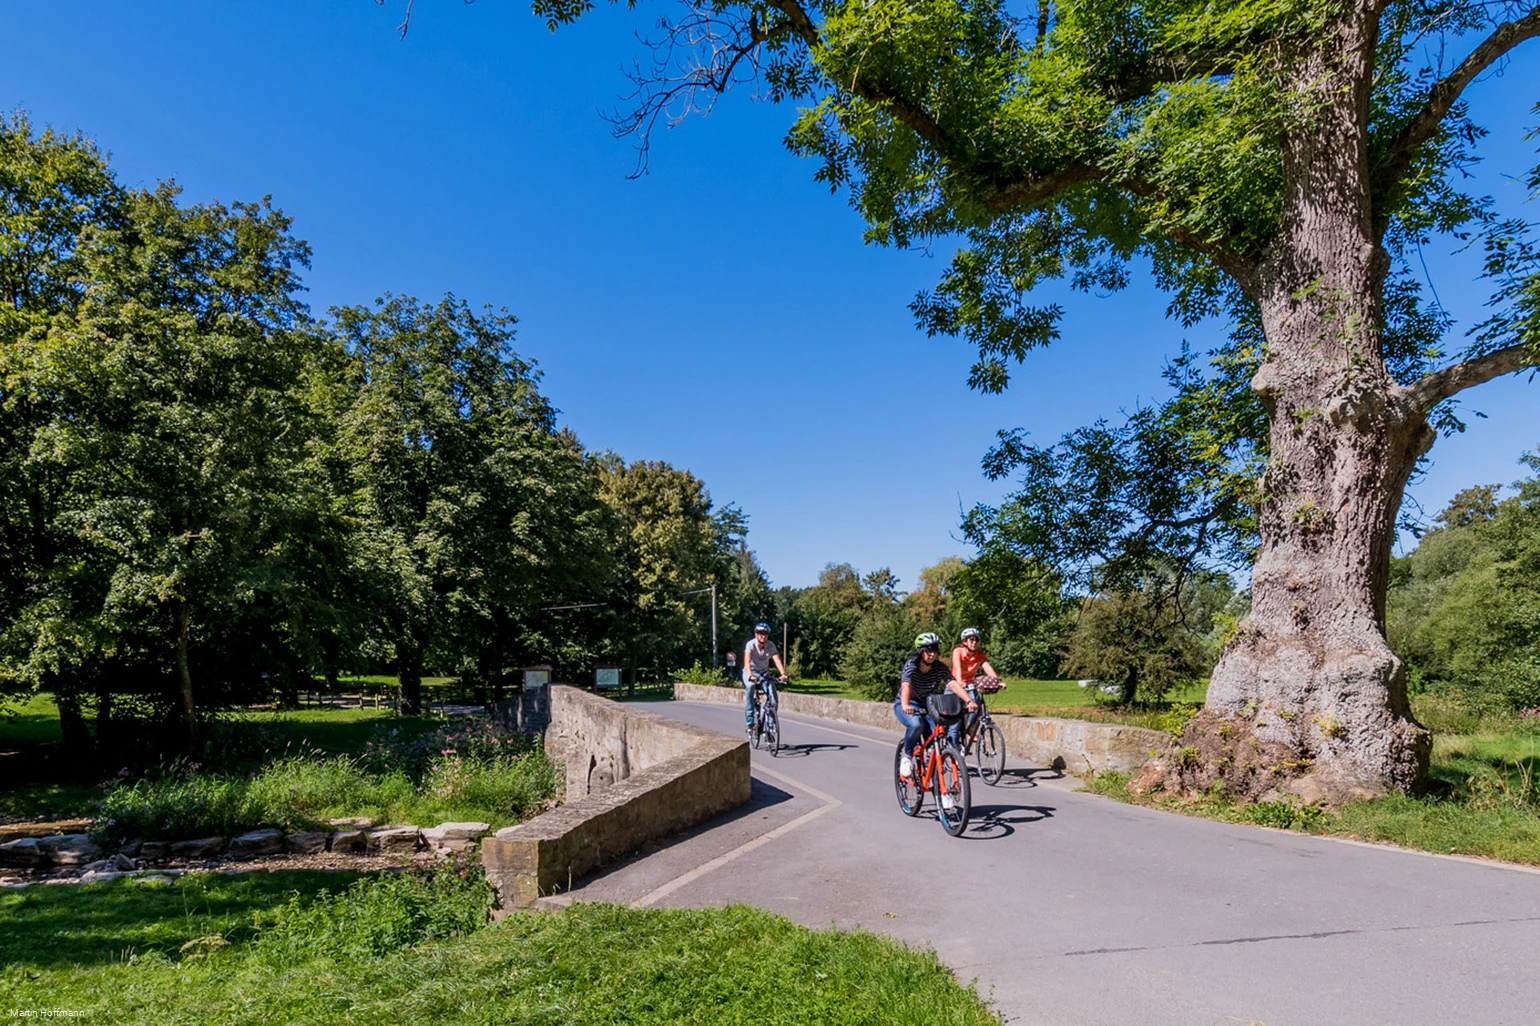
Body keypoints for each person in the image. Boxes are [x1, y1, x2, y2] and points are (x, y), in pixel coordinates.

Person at [895, 632, 976, 778]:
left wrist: (969, 700)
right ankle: (907, 756)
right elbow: (906, 686)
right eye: (928, 650)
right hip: (909, 702)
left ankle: (940, 790)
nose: (932, 654)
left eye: (934, 650)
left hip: (928, 704)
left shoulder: (939, 668)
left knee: (937, 736)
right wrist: (906, 705)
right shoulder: (911, 665)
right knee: (916, 724)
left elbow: (952, 684)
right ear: (920, 651)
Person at [743, 621, 788, 727]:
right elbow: (747, 661)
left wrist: (783, 674)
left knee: (773, 697)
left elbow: (777, 660)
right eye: (761, 633)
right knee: (750, 686)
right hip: (750, 672)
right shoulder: (751, 644)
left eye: (765, 633)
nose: (763, 636)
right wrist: (750, 676)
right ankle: (750, 714)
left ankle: (771, 726)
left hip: (764, 674)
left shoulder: (770, 645)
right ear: (756, 634)